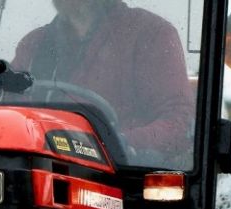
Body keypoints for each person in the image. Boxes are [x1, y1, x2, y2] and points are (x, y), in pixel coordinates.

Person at [12, 0, 195, 165]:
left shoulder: (150, 34)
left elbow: (179, 122)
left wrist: (117, 144)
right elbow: (12, 118)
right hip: (42, 171)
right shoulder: (34, 45)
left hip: (121, 180)